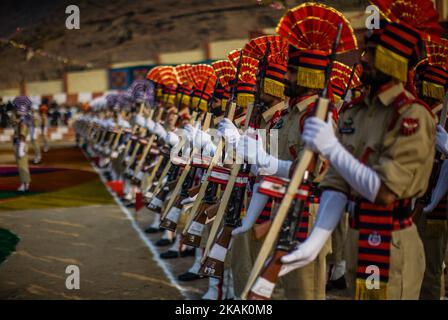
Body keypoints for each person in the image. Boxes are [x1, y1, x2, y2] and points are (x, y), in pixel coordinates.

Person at [280, 0, 441, 300]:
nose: (363, 59)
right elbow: (337, 183)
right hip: (357, 235)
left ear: (392, 60)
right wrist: (314, 242)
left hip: (392, 240)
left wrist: (330, 147)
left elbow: (383, 191)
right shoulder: (355, 112)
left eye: (371, 53)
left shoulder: (412, 116)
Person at [413, 36, 448, 300]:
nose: (417, 89)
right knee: (418, 268)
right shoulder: (422, 118)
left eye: (421, 84)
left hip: (441, 207)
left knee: (433, 272)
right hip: (419, 202)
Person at [12, 96, 32, 192]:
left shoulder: (23, 122)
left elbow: (22, 135)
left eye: (16, 108)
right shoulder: (22, 120)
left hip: (20, 144)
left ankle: (24, 185)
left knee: (22, 166)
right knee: (23, 165)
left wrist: (21, 147)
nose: (15, 110)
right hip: (20, 143)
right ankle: (25, 183)